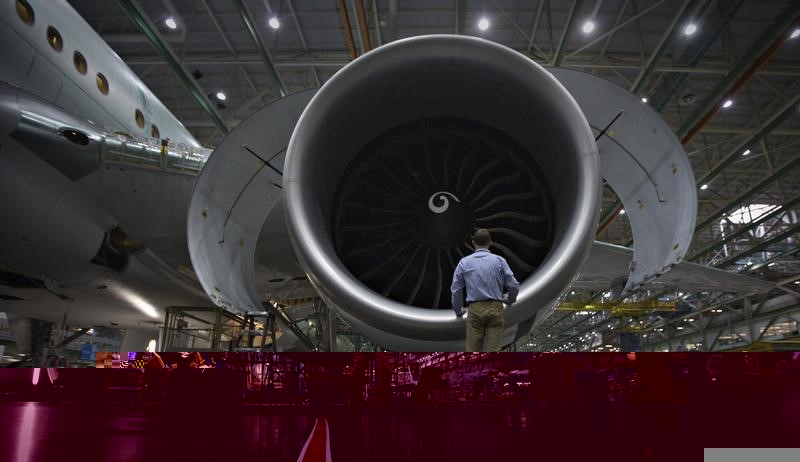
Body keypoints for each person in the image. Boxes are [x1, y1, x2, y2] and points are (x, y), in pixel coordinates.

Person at [451, 229, 519, 352]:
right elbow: (514, 285)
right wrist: (509, 299)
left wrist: (458, 310)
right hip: (495, 307)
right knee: (494, 350)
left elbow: (456, 289)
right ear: (490, 243)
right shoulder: (499, 261)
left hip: (475, 309)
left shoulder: (464, 262)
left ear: (473, 242)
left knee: (472, 351)